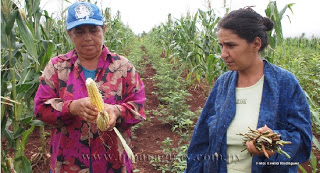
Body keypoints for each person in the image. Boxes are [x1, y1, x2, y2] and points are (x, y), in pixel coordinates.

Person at [185, 7, 312, 173]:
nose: (223, 54)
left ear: (256, 44)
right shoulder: (223, 84)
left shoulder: (284, 83)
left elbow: (303, 140)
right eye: (221, 46)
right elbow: (201, 140)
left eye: (231, 45)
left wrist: (275, 141)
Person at [34, 2, 145, 172]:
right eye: (79, 31)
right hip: (68, 164)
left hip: (112, 163)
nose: (87, 37)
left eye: (93, 30)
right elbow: (40, 109)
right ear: (69, 34)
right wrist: (71, 108)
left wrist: (116, 111)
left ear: (104, 30)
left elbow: (138, 109)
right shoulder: (57, 67)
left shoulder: (123, 67)